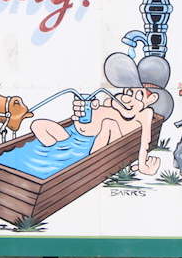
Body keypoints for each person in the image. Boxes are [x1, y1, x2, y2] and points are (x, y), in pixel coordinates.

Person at [30, 52, 174, 175]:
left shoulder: (145, 114)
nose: (128, 98)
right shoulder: (113, 101)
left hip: (89, 152)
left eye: (138, 95)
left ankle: (84, 164)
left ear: (151, 99)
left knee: (108, 123)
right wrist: (83, 110)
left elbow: (144, 141)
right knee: (38, 125)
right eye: (128, 91)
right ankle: (52, 154)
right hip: (73, 139)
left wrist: (143, 165)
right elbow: (96, 111)